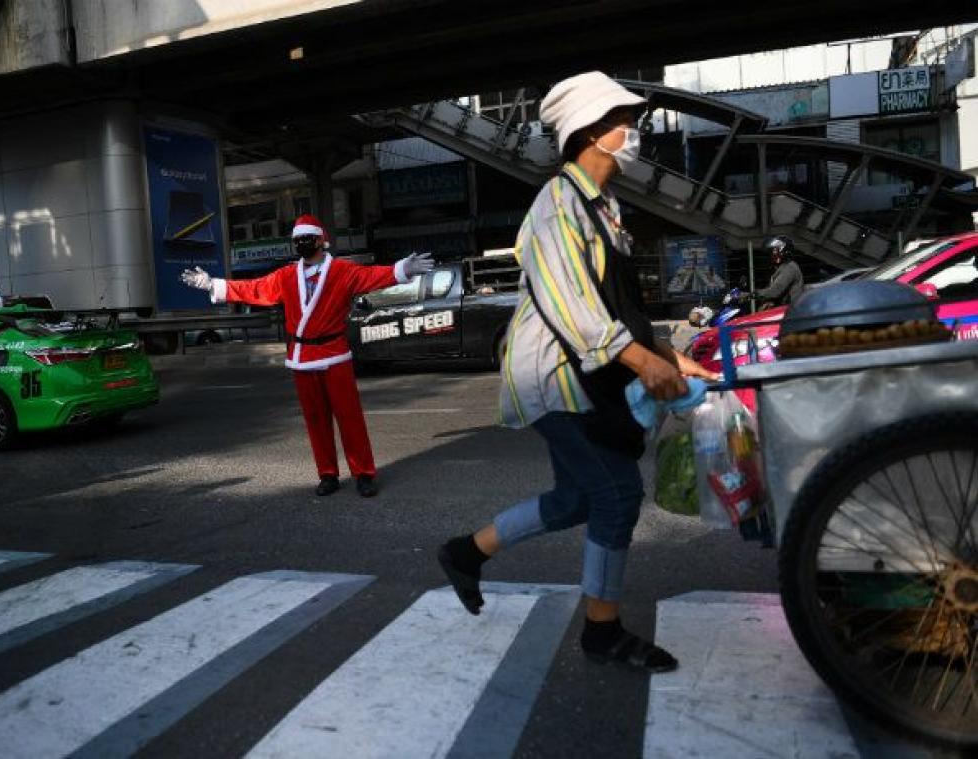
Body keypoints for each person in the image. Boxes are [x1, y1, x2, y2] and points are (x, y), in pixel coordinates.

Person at [436, 71, 717, 674]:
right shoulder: (557, 206)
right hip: (554, 378)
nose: (633, 132)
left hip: (582, 376)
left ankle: (465, 552)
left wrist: (669, 353)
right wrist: (643, 362)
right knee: (616, 494)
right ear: (590, 132)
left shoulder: (606, 209)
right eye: (624, 121)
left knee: (575, 500)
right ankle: (602, 630)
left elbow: (621, 305)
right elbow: (576, 308)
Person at [181, 215, 434, 497]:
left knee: (350, 418)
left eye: (306, 239)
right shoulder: (286, 276)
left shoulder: (342, 271)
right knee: (316, 420)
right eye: (297, 240)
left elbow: (372, 276)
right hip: (302, 357)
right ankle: (327, 474)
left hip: (334, 353)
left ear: (320, 240)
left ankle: (364, 473)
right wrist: (213, 284)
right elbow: (254, 288)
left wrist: (402, 269)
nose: (301, 243)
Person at [754, 235, 804, 308]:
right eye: (771, 252)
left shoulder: (790, 267)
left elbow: (775, 291)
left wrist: (751, 294)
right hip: (784, 310)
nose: (772, 255)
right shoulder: (780, 269)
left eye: (775, 251)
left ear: (784, 251)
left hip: (790, 312)